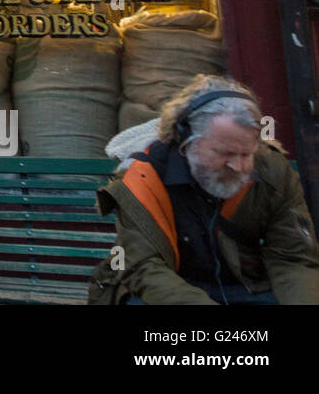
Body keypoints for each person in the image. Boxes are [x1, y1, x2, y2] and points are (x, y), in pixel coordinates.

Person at [92, 74, 319, 305]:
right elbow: (143, 267)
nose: (238, 166)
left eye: (246, 154)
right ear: (186, 140)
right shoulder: (143, 178)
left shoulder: (273, 171)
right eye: (225, 153)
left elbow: (293, 258)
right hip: (170, 290)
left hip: (246, 288)